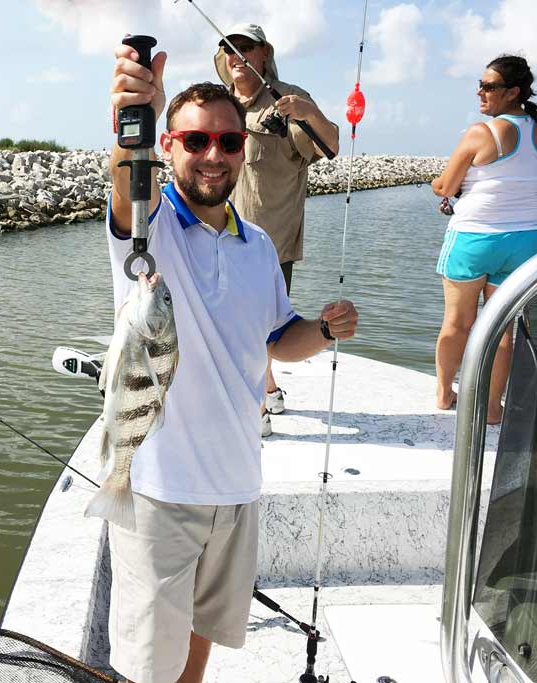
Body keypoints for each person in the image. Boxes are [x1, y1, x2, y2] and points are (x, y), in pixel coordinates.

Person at [106, 43, 358, 683]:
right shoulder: (149, 233)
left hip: (239, 486)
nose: (213, 154)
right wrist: (133, 118)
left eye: (227, 140)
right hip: (160, 491)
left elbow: (279, 338)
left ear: (244, 146)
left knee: (201, 639)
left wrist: (323, 331)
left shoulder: (258, 247)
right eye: (194, 141)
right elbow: (125, 182)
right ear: (170, 146)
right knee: (146, 667)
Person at [213, 23, 340, 436]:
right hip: (215, 236)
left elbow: (331, 145)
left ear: (264, 52)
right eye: (228, 49)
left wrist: (308, 114)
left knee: (262, 323)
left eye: (244, 48)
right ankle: (268, 389)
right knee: (226, 321)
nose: (236, 56)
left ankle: (258, 409)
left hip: (271, 243)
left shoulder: (290, 101)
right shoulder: (220, 106)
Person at [431, 54, 537, 425]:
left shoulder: (480, 133)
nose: (480, 92)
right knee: (502, 327)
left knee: (458, 321)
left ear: (513, 92)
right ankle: (494, 408)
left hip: (475, 237)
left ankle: (444, 393)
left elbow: (445, 185)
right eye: (480, 84)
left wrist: (446, 188)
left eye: (489, 86)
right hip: (525, 240)